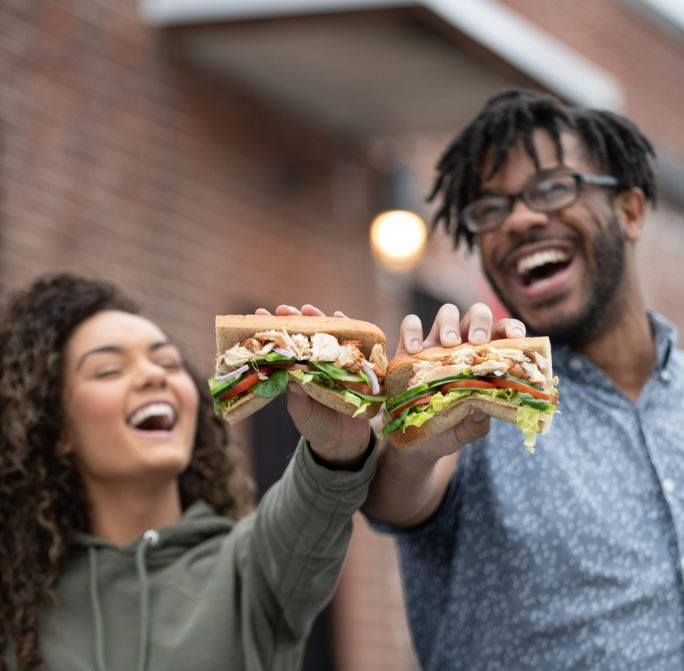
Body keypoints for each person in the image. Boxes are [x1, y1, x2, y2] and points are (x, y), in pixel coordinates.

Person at [364, 89, 684, 669]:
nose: (519, 219)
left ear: (630, 211)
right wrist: (416, 432)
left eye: (554, 188)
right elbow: (397, 493)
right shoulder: (482, 403)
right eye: (490, 209)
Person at [0, 273, 376, 671]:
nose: (154, 375)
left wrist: (335, 444)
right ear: (56, 428)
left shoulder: (251, 567)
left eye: (168, 362)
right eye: (108, 370)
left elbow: (314, 502)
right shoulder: (20, 611)